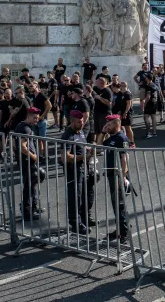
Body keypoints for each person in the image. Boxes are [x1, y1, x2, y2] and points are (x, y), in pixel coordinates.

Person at [61, 110, 97, 234]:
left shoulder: (80, 131)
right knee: (75, 197)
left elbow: (83, 146)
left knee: (86, 195)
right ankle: (76, 224)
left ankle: (85, 218)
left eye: (82, 122)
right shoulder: (68, 135)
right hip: (73, 171)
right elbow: (65, 157)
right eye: (79, 122)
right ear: (72, 122)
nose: (81, 124)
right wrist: (83, 157)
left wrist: (90, 148)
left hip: (83, 169)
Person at [102, 114, 131, 243]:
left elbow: (124, 158)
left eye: (109, 124)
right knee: (115, 204)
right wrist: (103, 132)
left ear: (117, 124)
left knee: (120, 204)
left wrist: (123, 177)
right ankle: (121, 229)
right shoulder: (111, 137)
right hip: (111, 174)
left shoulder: (121, 138)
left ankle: (125, 232)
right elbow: (98, 147)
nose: (107, 126)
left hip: (118, 176)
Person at [15, 107, 42, 221]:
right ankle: (27, 212)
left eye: (37, 118)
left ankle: (33, 206)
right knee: (29, 186)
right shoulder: (25, 128)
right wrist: (34, 156)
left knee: (32, 183)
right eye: (34, 118)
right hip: (27, 161)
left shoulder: (23, 126)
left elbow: (15, 145)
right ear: (28, 116)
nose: (36, 120)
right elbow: (22, 147)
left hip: (25, 160)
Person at [93, 77, 113, 144]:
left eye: (97, 82)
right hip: (96, 113)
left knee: (105, 131)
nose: (95, 82)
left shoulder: (107, 91)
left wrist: (99, 98)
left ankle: (107, 146)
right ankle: (99, 146)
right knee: (98, 131)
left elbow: (109, 103)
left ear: (101, 83)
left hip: (104, 113)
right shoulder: (96, 89)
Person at [115, 82, 135, 147]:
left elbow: (128, 104)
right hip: (120, 113)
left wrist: (125, 112)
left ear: (123, 86)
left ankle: (132, 143)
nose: (119, 87)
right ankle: (124, 142)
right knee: (120, 128)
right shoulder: (120, 93)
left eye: (120, 85)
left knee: (128, 128)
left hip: (127, 113)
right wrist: (119, 111)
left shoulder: (127, 94)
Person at [141, 72, 159, 139]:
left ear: (148, 78)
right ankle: (154, 132)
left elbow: (148, 96)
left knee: (146, 117)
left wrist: (144, 104)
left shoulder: (148, 86)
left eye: (146, 77)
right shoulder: (154, 84)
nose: (145, 78)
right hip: (154, 102)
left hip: (149, 102)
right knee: (153, 117)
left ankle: (148, 133)